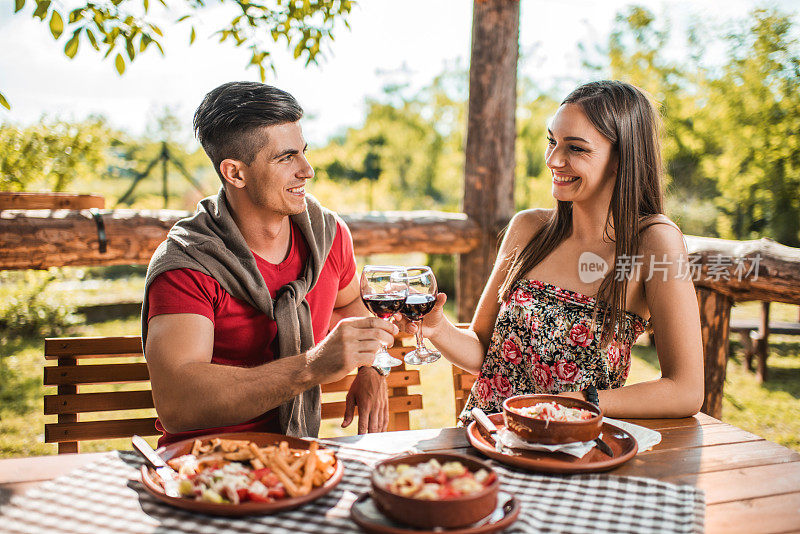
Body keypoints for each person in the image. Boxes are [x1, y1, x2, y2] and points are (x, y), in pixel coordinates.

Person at [405, 80, 704, 421]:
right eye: (552, 141)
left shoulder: (654, 242)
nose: (553, 159)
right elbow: (485, 352)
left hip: (571, 451)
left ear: (621, 158)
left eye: (576, 148)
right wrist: (439, 328)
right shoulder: (528, 229)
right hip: (483, 440)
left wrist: (577, 402)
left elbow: (686, 390)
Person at [142, 81, 396, 446]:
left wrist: (372, 367)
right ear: (235, 173)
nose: (307, 170)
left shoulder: (328, 236)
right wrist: (312, 366)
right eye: (286, 157)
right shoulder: (189, 264)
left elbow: (352, 305)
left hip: (301, 459)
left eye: (303, 152)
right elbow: (179, 403)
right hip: (206, 466)